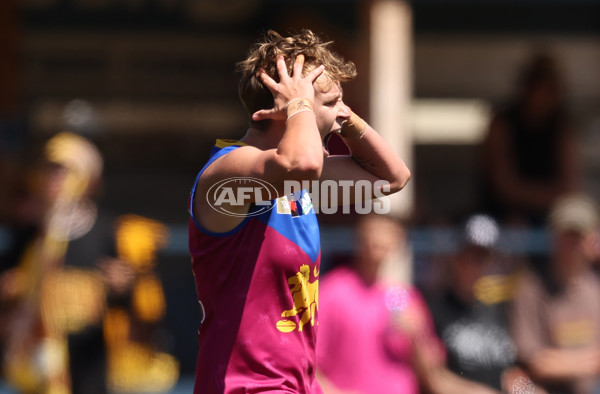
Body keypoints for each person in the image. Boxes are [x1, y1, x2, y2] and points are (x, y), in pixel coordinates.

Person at [188, 29, 411, 393]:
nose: (340, 115)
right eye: (331, 102)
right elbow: (301, 163)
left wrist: (342, 112)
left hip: (299, 386)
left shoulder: (298, 183)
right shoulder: (226, 175)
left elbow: (392, 176)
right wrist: (301, 105)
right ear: (285, 105)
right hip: (244, 387)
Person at [509, 193, 600, 393]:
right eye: (565, 236)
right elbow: (536, 364)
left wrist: (557, 361)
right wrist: (591, 361)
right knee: (517, 387)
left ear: (592, 239)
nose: (571, 245)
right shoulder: (530, 289)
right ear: (552, 236)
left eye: (577, 236)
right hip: (545, 390)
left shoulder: (595, 288)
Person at [481, 52, 579, 227]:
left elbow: (569, 189)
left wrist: (540, 197)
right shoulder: (503, 124)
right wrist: (547, 195)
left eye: (550, 89)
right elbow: (504, 187)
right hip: (500, 217)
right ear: (526, 88)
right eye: (538, 86)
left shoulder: (562, 127)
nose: (542, 97)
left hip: (551, 219)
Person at [426, 214, 521, 392]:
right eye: (467, 255)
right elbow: (432, 377)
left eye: (481, 258)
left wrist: (531, 391)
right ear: (454, 257)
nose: (472, 265)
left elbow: (511, 375)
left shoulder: (496, 311)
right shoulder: (433, 310)